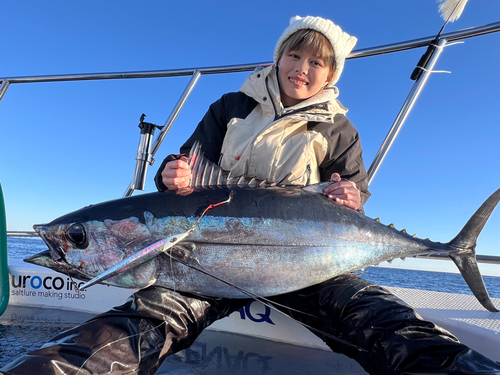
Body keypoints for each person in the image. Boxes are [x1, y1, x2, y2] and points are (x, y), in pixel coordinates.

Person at [2, 15, 500, 375]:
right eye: (295, 54)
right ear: (278, 57)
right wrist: (172, 173)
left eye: (317, 63)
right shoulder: (231, 107)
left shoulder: (340, 129)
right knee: (128, 330)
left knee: (390, 326)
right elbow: (181, 172)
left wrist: (352, 195)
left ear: (331, 76)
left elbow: (355, 196)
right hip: (199, 275)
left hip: (311, 269)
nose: (302, 68)